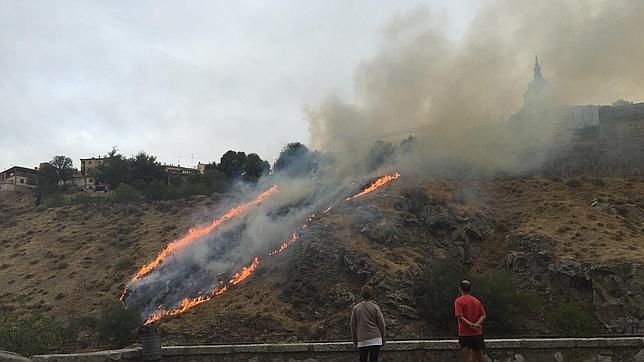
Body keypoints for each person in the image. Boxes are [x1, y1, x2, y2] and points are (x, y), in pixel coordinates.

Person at [350, 286, 386, 362]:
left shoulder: (356, 308)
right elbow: (382, 324)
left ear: (361, 295)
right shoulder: (375, 307)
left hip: (362, 339)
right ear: (371, 295)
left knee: (363, 359)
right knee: (374, 359)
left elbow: (352, 325)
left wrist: (355, 340)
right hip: (376, 339)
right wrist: (383, 338)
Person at [454, 279, 486, 362]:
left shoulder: (458, 301)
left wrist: (470, 325)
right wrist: (476, 325)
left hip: (465, 334)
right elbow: (483, 315)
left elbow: (459, 316)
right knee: (480, 358)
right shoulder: (476, 301)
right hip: (477, 333)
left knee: (468, 358)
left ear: (460, 288)